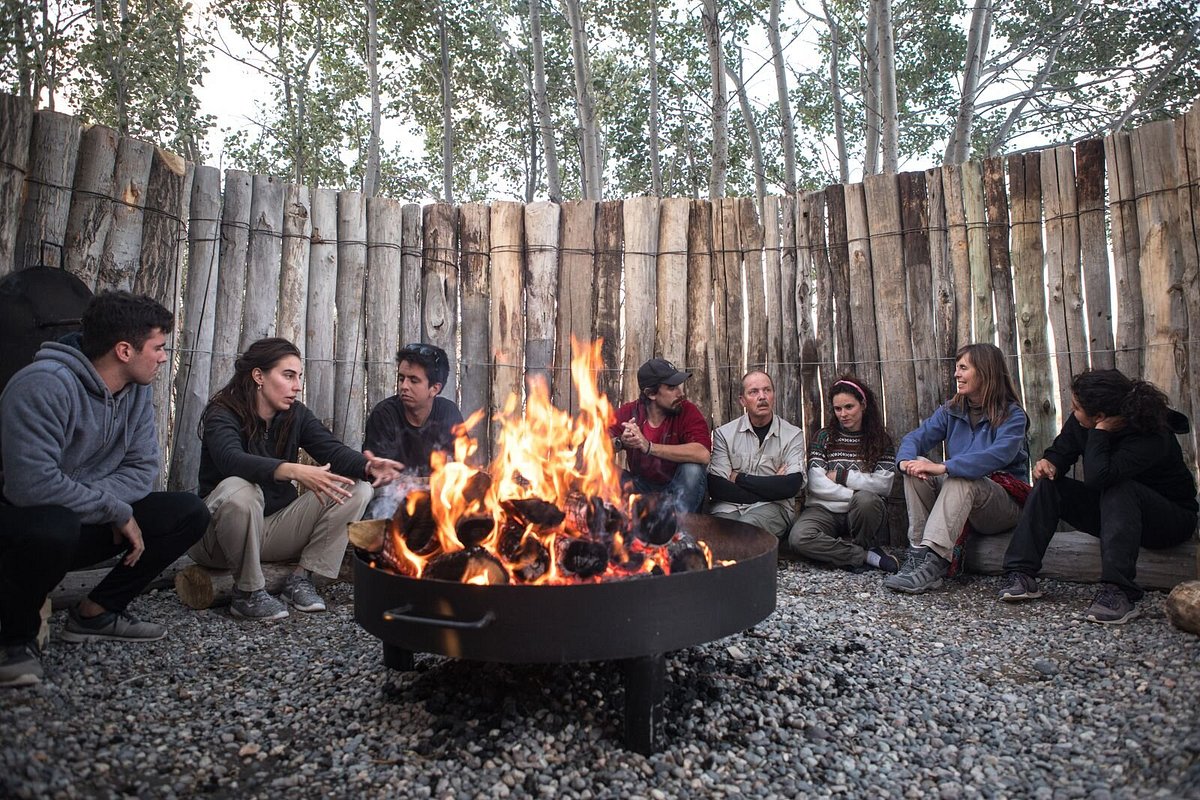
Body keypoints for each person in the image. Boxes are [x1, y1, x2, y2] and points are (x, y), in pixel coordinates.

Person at [0, 291, 210, 688]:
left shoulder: (135, 391)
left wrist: (107, 505)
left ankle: (97, 612)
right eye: (159, 347)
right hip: (22, 528)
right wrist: (114, 509)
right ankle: (15, 642)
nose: (164, 357)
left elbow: (143, 469)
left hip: (79, 517)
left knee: (188, 512)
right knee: (54, 523)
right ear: (125, 350)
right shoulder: (43, 385)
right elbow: (31, 488)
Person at [190, 338, 402, 621]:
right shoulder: (223, 413)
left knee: (357, 488)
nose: (297, 385)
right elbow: (231, 459)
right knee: (239, 488)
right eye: (288, 375)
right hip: (216, 540)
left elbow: (331, 450)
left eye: (299, 377)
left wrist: (369, 467)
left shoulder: (295, 415)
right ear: (258, 376)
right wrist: (291, 469)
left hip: (273, 530)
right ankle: (248, 593)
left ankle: (301, 579)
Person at [998, 369, 1198, 624]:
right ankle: (1021, 573)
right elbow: (1063, 449)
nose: (1073, 412)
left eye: (1077, 408)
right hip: (1115, 514)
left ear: (1101, 417)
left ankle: (1119, 591)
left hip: (1169, 520)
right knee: (1050, 484)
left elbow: (1099, 478)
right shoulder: (1084, 421)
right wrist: (1050, 462)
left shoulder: (1152, 435)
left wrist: (1099, 434)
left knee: (1120, 486)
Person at [885, 343, 1029, 594]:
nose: (956, 374)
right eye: (956, 368)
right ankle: (919, 554)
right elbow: (915, 437)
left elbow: (998, 455)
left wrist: (943, 467)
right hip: (958, 497)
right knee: (917, 473)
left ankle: (936, 562)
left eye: (963, 368)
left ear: (985, 372)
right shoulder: (952, 410)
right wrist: (906, 462)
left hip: (1002, 504)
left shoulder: (1013, 415)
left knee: (961, 476)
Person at [788, 376, 899, 573]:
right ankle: (864, 555)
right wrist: (857, 491)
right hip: (824, 510)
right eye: (838, 409)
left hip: (861, 514)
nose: (843, 414)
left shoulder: (881, 441)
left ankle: (853, 549)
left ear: (863, 405)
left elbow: (884, 486)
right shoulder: (823, 437)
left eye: (849, 407)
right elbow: (816, 484)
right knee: (798, 538)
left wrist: (842, 476)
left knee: (867, 501)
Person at [363, 342, 464, 516]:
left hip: (441, 501)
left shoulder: (448, 413)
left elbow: (462, 470)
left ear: (434, 388)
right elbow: (382, 481)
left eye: (413, 380)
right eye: (402, 378)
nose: (404, 386)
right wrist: (432, 482)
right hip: (392, 502)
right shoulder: (384, 415)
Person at [707, 371, 805, 538]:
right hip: (728, 506)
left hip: (773, 508)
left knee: (746, 529)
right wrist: (772, 487)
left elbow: (791, 485)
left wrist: (738, 478)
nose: (762, 397)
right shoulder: (724, 434)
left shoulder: (792, 435)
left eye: (767, 390)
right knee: (720, 536)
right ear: (742, 400)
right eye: (754, 392)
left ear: (774, 395)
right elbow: (717, 486)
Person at [609, 358, 711, 513]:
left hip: (677, 490)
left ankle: (680, 530)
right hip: (639, 488)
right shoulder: (629, 412)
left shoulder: (687, 410)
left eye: (678, 386)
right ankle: (620, 524)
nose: (681, 393)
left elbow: (703, 454)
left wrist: (649, 447)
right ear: (650, 394)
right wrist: (620, 442)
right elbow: (588, 450)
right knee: (602, 470)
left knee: (693, 469)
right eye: (672, 388)